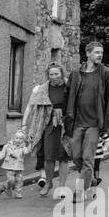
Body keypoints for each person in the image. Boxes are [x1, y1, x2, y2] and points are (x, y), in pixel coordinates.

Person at [63, 41, 109, 200]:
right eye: (96, 52)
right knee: (76, 156)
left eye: (101, 52)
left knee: (87, 159)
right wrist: (66, 117)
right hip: (77, 122)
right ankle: (91, 179)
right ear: (87, 54)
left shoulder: (106, 73)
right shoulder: (76, 74)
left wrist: (107, 125)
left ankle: (79, 191)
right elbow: (67, 96)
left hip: (94, 124)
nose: (100, 55)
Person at [22, 63, 68, 197]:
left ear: (61, 74)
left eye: (56, 74)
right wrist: (25, 124)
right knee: (49, 156)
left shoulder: (69, 86)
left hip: (65, 124)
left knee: (63, 156)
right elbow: (31, 107)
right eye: (51, 74)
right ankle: (48, 182)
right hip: (48, 124)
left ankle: (62, 186)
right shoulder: (42, 89)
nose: (54, 77)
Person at [0, 130, 28, 197]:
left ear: (23, 140)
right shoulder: (7, 146)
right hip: (9, 166)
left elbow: (27, 152)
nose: (18, 140)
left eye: (21, 139)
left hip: (19, 167)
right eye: (17, 138)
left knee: (19, 180)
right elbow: (2, 153)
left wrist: (30, 144)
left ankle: (17, 192)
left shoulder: (23, 147)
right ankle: (7, 186)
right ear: (13, 138)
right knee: (11, 180)